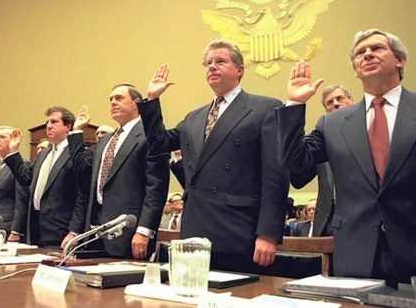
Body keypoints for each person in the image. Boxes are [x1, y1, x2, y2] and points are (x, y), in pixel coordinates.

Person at [276, 28, 416, 286]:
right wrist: (294, 105)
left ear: (400, 60)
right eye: (361, 53)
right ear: (356, 70)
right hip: (356, 254)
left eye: (377, 48)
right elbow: (295, 167)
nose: (368, 54)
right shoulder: (333, 124)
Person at [137, 39, 289, 273]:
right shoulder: (194, 117)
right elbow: (160, 143)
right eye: (208, 63)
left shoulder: (265, 108)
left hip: (239, 230)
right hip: (195, 230)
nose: (212, 67)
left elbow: (275, 176)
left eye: (220, 61)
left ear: (240, 70)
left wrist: (268, 233)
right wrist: (153, 100)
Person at [68, 84, 169, 260]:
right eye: (111, 99)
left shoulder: (148, 136)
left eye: (119, 98)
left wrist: (145, 230)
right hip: (95, 231)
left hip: (130, 233)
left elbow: (156, 187)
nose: (113, 102)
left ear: (136, 103)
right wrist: (77, 132)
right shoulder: (105, 141)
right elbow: (83, 173)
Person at [3, 106, 89, 248]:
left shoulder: (77, 154)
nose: (48, 126)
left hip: (61, 231)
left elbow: (83, 195)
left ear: (68, 126)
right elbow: (26, 178)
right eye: (47, 122)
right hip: (35, 229)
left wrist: (74, 231)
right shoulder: (44, 154)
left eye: (54, 122)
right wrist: (14, 152)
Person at [290, 85, 354, 236]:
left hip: (360, 217)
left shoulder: (367, 130)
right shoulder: (321, 141)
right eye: (329, 102)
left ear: (352, 101)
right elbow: (299, 178)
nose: (335, 104)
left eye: (340, 98)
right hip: (327, 221)